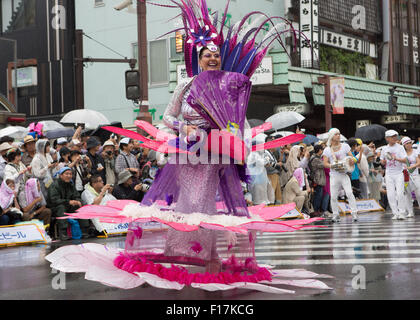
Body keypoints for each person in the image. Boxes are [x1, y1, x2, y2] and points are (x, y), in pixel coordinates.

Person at [322, 128, 359, 222]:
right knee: (333, 196)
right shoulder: (327, 150)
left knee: (349, 193)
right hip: (334, 175)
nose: (338, 135)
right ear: (331, 136)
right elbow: (324, 163)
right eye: (336, 134)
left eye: (339, 134)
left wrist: (351, 161)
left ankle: (354, 213)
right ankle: (335, 214)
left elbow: (352, 158)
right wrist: (333, 166)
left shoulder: (345, 146)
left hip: (344, 174)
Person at [47, 167, 90, 240]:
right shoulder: (54, 185)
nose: (69, 176)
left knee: (81, 206)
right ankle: (63, 232)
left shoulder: (70, 185)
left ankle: (84, 230)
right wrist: (68, 202)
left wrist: (77, 201)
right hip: (55, 207)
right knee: (61, 208)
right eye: (66, 174)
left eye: (70, 174)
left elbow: (76, 195)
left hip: (68, 205)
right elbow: (54, 200)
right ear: (61, 175)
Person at [380, 130, 408, 220]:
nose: (395, 138)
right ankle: (395, 213)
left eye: (395, 136)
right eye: (392, 136)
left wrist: (396, 158)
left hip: (399, 173)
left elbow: (405, 160)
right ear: (387, 138)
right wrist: (383, 162)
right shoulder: (384, 149)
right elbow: (382, 161)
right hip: (389, 173)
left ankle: (402, 212)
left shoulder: (400, 147)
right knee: (390, 194)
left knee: (400, 193)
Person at [401, 137, 420, 218]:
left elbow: (419, 162)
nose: (408, 145)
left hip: (415, 175)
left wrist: (412, 167)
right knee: (407, 194)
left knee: (419, 194)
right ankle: (410, 212)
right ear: (404, 145)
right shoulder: (402, 154)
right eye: (406, 144)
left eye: (409, 143)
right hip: (406, 176)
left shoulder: (415, 152)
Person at [264, 137, 283, 205]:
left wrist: (281, 154)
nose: (276, 146)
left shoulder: (272, 154)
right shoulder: (266, 153)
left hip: (275, 175)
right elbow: (268, 166)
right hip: (270, 175)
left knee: (278, 196)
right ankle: (270, 211)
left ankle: (277, 210)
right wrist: (277, 165)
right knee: (271, 196)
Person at [309, 144, 327, 216]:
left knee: (319, 196)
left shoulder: (316, 157)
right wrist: (326, 157)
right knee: (317, 196)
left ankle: (316, 210)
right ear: (319, 150)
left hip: (319, 179)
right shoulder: (315, 159)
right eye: (322, 150)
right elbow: (324, 164)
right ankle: (315, 210)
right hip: (317, 180)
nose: (322, 151)